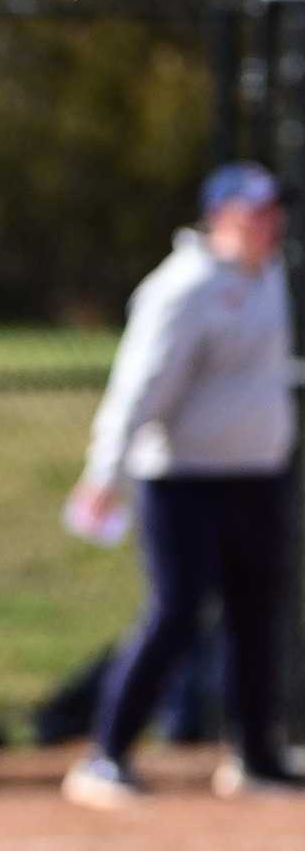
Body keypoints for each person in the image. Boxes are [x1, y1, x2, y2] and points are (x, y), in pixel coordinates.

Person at [61, 160, 296, 809]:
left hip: (257, 478)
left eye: (275, 211)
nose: (271, 222)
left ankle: (256, 757)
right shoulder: (184, 286)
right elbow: (139, 385)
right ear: (219, 214)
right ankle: (104, 755)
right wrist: (103, 471)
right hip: (183, 481)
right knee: (176, 613)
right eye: (257, 211)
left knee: (257, 618)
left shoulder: (269, 274)